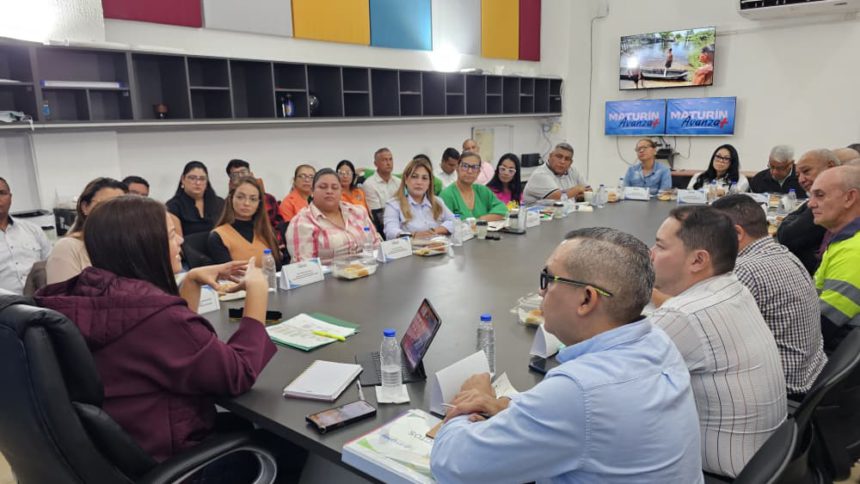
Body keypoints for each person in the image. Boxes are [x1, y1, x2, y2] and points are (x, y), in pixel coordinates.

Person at [430, 228, 704, 483]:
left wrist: (465, 407)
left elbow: (453, 465)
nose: (541, 291)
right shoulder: (656, 341)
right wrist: (503, 403)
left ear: (586, 299)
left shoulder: (580, 390)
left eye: (548, 279)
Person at [35, 196, 276, 474]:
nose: (182, 243)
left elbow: (180, 344)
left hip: (123, 450)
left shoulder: (91, 296)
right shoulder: (154, 317)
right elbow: (238, 373)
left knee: (242, 426)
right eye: (173, 235)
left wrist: (192, 280)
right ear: (146, 244)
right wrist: (257, 294)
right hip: (170, 458)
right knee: (288, 446)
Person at [649, 206, 786, 478]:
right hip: (765, 460)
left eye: (660, 246)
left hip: (717, 472)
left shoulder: (684, 315)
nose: (650, 254)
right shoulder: (734, 288)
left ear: (698, 260)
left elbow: (610, 377)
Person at [712, 195, 826, 398]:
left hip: (782, 385)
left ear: (737, 233)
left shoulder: (744, 270)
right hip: (809, 373)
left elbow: (709, 332)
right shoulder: (783, 253)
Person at [808, 166, 860, 349]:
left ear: (850, 198)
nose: (810, 203)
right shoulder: (844, 239)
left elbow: (821, 326)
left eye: (819, 195)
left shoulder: (854, 251)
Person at [286, 168, 380, 264]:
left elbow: (376, 245)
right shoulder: (302, 222)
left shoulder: (358, 212)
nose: (329, 191)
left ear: (341, 191)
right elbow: (305, 267)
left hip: (367, 269)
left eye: (335, 187)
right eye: (323, 187)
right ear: (312, 191)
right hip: (330, 277)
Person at [46, 177, 127, 285]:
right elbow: (62, 298)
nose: (112, 212)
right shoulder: (68, 247)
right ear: (85, 207)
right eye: (104, 205)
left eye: (120, 207)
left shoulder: (126, 245)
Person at [777, 149, 841, 275]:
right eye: (798, 175)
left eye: (806, 171)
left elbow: (787, 236)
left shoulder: (832, 201)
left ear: (831, 167)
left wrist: (786, 222)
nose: (801, 180)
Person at [209, 177, 282, 269]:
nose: (247, 203)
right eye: (240, 197)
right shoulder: (218, 236)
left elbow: (278, 270)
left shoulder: (267, 231)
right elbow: (228, 277)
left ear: (259, 204)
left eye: (253, 199)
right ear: (231, 199)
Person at [383, 157, 456, 240]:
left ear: (429, 183)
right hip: (411, 251)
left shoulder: (437, 201)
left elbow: (455, 222)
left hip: (438, 248)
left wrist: (435, 231)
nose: (419, 182)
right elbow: (390, 232)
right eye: (414, 177)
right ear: (406, 180)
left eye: (424, 178)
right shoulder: (393, 205)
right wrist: (413, 235)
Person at [0, 177, 51, 294]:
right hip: (6, 306)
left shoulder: (33, 230)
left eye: (2, 193)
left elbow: (50, 264)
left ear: (10, 197)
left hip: (41, 301)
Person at [225, 159, 285, 250]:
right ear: (231, 181)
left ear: (251, 175)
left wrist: (276, 242)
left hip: (271, 244)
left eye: (243, 172)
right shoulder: (228, 204)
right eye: (235, 175)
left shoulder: (269, 199)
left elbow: (279, 224)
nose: (241, 177)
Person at [439, 152, 507, 221]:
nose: (470, 171)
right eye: (465, 166)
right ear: (457, 168)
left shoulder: (483, 191)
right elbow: (445, 225)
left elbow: (502, 209)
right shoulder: (447, 195)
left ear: (478, 172)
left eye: (475, 167)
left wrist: (481, 220)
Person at [165, 161, 224, 238]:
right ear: (183, 179)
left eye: (202, 179)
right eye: (192, 178)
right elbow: (178, 241)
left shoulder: (219, 203)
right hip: (187, 249)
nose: (198, 183)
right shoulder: (173, 206)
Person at [522, 142, 588, 204]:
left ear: (570, 163)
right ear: (550, 156)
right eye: (559, 156)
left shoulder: (572, 170)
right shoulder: (540, 174)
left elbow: (589, 191)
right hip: (537, 215)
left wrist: (580, 196)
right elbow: (558, 199)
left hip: (564, 213)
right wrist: (577, 190)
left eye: (567, 159)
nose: (562, 161)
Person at [363, 147, 401, 212]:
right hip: (382, 220)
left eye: (390, 159)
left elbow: (404, 205)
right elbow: (377, 214)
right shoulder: (369, 184)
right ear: (375, 164)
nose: (388, 163)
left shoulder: (399, 182)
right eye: (384, 160)